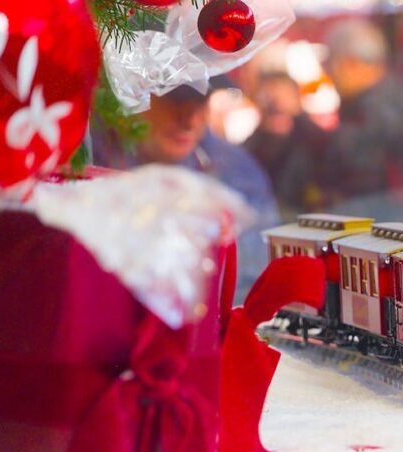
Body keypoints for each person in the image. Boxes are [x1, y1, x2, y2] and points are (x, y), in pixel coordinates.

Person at [91, 78, 280, 302]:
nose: (189, 120)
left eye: (201, 100)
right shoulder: (88, 159)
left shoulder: (237, 174)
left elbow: (252, 285)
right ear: (131, 94)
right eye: (173, 98)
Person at [322, 19, 403, 225]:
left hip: (397, 226)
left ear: (351, 63)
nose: (329, 74)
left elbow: (360, 180)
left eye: (330, 64)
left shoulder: (378, 109)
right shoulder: (390, 96)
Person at [244, 71, 329, 221]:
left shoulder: (319, 144)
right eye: (268, 99)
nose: (276, 104)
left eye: (284, 98)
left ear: (297, 100)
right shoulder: (247, 152)